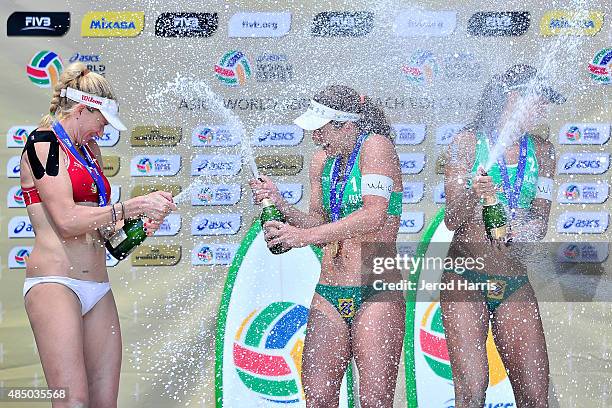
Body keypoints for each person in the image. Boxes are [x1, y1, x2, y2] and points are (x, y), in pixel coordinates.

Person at [20, 62, 176, 408]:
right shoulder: (43, 143)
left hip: (97, 287)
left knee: (105, 403)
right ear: (81, 110)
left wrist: (142, 226)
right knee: (72, 400)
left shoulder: (90, 151)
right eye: (101, 123)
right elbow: (66, 220)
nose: (103, 132)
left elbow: (107, 234)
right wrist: (132, 206)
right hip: (55, 282)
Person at [249, 85, 405, 407]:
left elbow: (374, 215)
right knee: (318, 398)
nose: (314, 138)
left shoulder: (376, 147)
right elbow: (319, 221)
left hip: (375, 290)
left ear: (346, 125)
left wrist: (302, 238)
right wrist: (282, 205)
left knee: (375, 401)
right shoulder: (322, 161)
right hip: (330, 291)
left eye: (320, 131)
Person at [442, 64, 564, 407]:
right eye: (540, 100)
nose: (545, 109)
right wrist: (473, 193)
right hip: (465, 279)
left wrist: (520, 228)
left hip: (513, 279)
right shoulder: (467, 143)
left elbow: (539, 223)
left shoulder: (544, 151)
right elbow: (453, 219)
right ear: (512, 97)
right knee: (470, 392)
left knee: (535, 396)